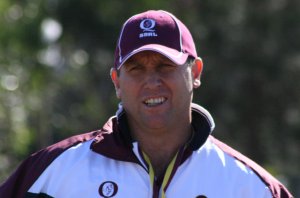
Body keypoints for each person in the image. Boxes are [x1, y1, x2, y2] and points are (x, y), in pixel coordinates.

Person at [0, 10, 293, 198]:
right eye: (136, 69)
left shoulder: (251, 187)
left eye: (165, 66)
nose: (152, 82)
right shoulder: (52, 173)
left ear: (195, 73)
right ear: (116, 81)